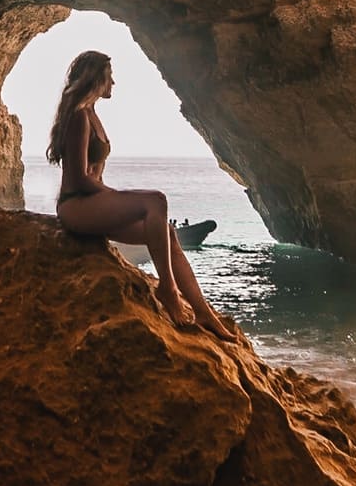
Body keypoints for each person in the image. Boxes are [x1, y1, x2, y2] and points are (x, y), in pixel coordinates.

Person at [49, 50, 238, 338]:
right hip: (76, 207)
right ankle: (168, 289)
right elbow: (78, 180)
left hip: (90, 204)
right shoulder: (78, 118)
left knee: (168, 233)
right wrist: (115, 197)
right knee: (155, 200)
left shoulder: (90, 114)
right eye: (110, 77)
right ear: (98, 79)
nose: (114, 83)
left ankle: (203, 312)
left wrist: (114, 199)